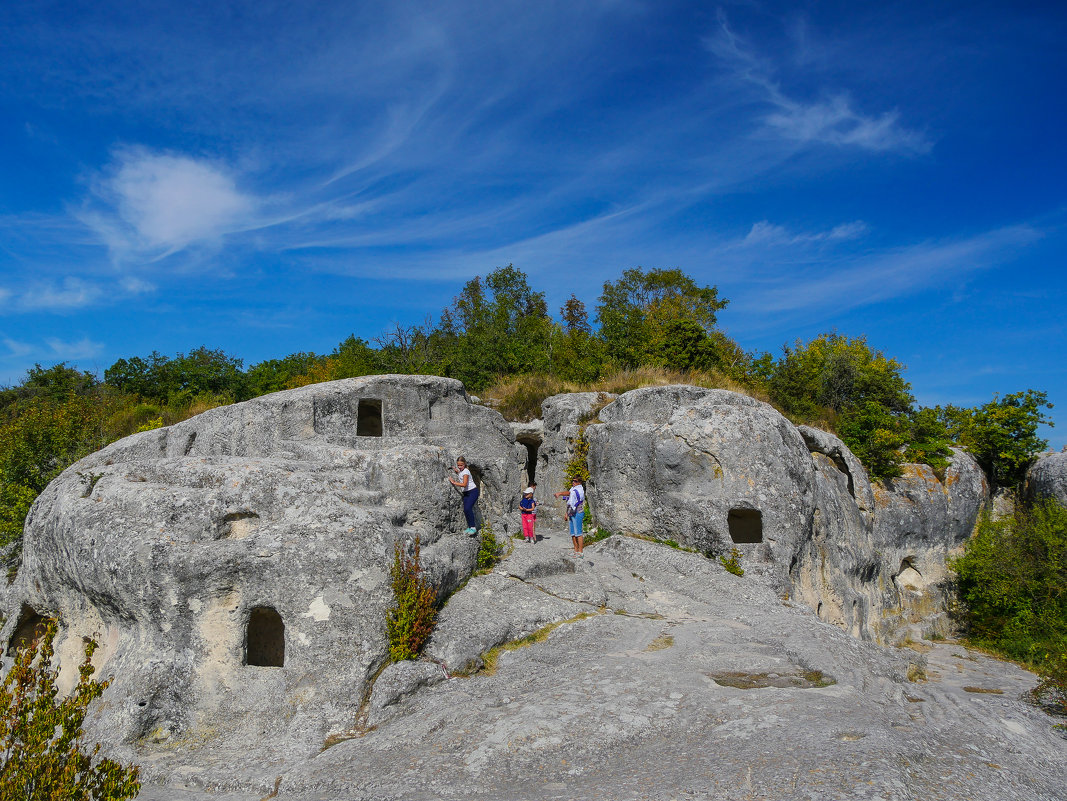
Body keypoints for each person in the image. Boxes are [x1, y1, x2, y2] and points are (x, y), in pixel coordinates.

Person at [554, 477, 586, 557]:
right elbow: (569, 502)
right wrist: (566, 513)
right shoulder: (573, 489)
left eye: (575, 481)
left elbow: (569, 493)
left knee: (578, 533)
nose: (573, 482)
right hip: (571, 512)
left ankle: (580, 552)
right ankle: (575, 550)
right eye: (573, 481)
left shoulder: (579, 490)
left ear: (579, 482)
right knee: (573, 533)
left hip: (578, 513)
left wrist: (560, 493)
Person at [449, 457, 479, 534]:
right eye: (458, 465)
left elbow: (464, 484)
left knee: (468, 508)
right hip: (466, 493)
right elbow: (461, 475)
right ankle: (470, 527)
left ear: (465, 464)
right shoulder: (462, 471)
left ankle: (473, 528)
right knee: (466, 510)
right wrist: (457, 472)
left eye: (461, 465)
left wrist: (454, 482)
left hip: (472, 492)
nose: (459, 467)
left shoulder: (466, 471)